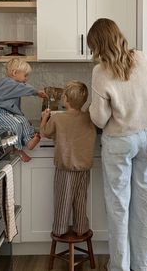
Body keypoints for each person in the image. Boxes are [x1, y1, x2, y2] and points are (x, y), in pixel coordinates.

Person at [87, 18, 147, 271]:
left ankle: (120, 267)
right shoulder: (141, 57)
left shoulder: (100, 71)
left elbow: (99, 118)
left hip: (119, 141)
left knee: (118, 207)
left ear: (98, 44)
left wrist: (90, 106)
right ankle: (141, 266)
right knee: (145, 204)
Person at [40, 80, 97, 237]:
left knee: (63, 201)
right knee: (80, 200)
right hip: (84, 169)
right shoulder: (90, 118)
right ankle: (81, 228)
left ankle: (59, 229)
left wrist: (45, 117)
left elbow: (45, 132)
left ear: (66, 99)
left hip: (65, 168)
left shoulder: (58, 118)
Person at [0, 58, 47, 162]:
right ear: (15, 73)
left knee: (23, 120)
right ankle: (16, 149)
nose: (27, 79)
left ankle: (29, 141)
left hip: (8, 113)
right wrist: (36, 92)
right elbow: (23, 88)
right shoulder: (8, 83)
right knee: (15, 125)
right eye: (25, 75)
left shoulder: (11, 85)